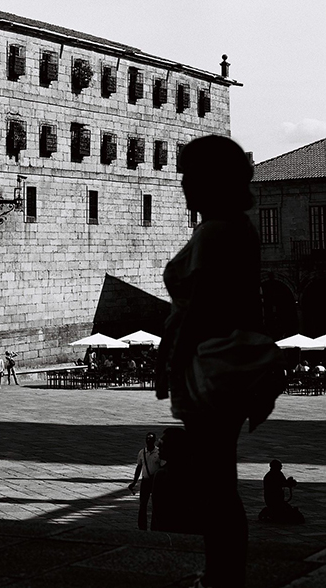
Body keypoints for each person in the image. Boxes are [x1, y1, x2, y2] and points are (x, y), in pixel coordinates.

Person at [156, 135, 270, 588]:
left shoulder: (214, 233)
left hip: (209, 372)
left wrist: (171, 363)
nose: (183, 184)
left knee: (215, 486)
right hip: (226, 370)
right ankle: (224, 573)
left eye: (190, 175)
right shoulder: (238, 228)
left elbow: (201, 310)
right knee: (220, 480)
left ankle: (222, 577)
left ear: (211, 181)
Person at [151, 427, 201, 534]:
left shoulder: (162, 475)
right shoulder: (195, 474)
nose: (158, 446)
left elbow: (158, 512)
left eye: (162, 443)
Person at [128, 432, 161, 530]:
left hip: (155, 481)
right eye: (147, 439)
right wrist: (134, 482)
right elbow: (139, 467)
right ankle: (142, 526)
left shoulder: (159, 452)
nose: (148, 441)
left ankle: (155, 526)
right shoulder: (142, 452)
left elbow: (162, 467)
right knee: (143, 505)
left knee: (156, 505)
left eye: (150, 439)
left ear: (154, 441)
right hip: (145, 481)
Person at [259, 460, 304, 524]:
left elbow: (283, 482)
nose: (281, 467)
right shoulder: (270, 476)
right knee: (282, 515)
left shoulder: (279, 474)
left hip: (279, 499)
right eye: (279, 466)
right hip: (272, 499)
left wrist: (289, 482)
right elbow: (278, 484)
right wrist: (287, 484)